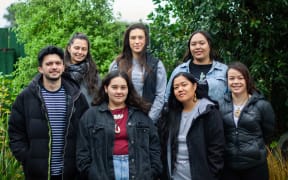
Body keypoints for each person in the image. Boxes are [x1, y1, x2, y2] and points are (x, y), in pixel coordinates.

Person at [8, 45, 89, 180]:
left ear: (63, 67)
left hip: (71, 173)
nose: (54, 67)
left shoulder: (76, 97)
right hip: (37, 174)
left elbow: (87, 131)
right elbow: (15, 132)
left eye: (58, 63)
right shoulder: (26, 97)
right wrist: (28, 159)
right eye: (49, 64)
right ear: (40, 68)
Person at [76, 70, 162, 179]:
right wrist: (92, 173)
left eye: (123, 87)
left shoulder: (140, 115)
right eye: (114, 87)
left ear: (128, 90)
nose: (119, 91)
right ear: (106, 88)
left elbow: (154, 146)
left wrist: (152, 172)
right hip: (103, 173)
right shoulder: (91, 116)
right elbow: (82, 151)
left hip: (138, 172)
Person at [158, 72, 225, 180]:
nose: (180, 89)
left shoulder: (208, 112)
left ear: (194, 86)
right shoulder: (170, 114)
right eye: (176, 87)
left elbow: (217, 149)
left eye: (184, 85)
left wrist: (211, 176)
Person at [219, 61, 275, 180]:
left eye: (240, 78)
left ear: (247, 80)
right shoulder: (220, 105)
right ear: (227, 81)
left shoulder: (262, 105)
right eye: (232, 78)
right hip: (229, 166)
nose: (236, 82)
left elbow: (268, 134)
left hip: (255, 165)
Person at [109, 23, 167, 123]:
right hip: (121, 120)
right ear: (128, 40)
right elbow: (111, 93)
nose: (137, 41)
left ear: (146, 40)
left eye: (140, 37)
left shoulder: (157, 65)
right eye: (133, 38)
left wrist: (148, 120)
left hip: (147, 120)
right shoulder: (117, 64)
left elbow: (160, 96)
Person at [165, 30, 227, 103]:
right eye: (193, 44)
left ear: (209, 45)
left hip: (217, 113)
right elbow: (167, 97)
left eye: (202, 43)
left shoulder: (223, 70)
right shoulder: (179, 70)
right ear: (189, 48)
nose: (197, 47)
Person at [64, 32, 101, 106]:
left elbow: (100, 98)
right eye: (77, 48)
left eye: (84, 49)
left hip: (88, 116)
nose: (80, 52)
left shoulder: (93, 73)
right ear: (69, 48)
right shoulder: (60, 71)